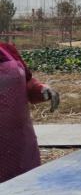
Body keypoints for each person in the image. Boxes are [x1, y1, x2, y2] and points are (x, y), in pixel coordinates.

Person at [0, 42, 59, 183]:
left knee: (25, 191)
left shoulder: (6, 50)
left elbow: (27, 83)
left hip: (20, 142)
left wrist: (42, 90)